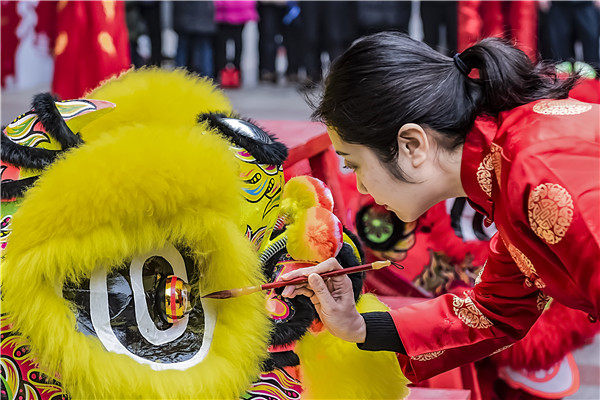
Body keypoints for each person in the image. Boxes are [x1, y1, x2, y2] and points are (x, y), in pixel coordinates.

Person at [280, 32, 599, 382]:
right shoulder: (507, 165)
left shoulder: (537, 175)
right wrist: (357, 326)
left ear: (412, 145)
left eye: (354, 163)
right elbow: (495, 312)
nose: (360, 186)